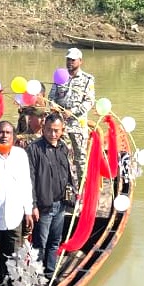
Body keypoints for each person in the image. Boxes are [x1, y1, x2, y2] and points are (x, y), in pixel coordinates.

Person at [0, 121, 34, 286]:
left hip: (14, 215)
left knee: (15, 256)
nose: (4, 135)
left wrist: (28, 210)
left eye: (8, 132)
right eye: (1, 132)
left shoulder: (20, 155)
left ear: (14, 137)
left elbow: (26, 183)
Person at [28, 113, 73, 278]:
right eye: (48, 130)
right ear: (43, 129)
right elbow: (30, 179)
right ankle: (36, 276)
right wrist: (33, 205)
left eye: (56, 130)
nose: (52, 134)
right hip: (43, 205)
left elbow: (67, 173)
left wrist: (73, 192)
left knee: (55, 241)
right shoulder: (34, 148)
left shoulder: (63, 148)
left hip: (60, 204)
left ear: (62, 130)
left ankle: (50, 273)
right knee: (40, 243)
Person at [48, 47, 95, 189]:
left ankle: (83, 189)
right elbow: (51, 97)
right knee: (61, 157)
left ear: (80, 61)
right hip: (61, 126)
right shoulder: (60, 76)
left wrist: (72, 111)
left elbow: (89, 101)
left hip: (78, 126)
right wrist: (54, 107)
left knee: (80, 158)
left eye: (73, 60)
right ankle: (65, 187)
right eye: (68, 59)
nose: (70, 62)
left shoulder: (87, 79)